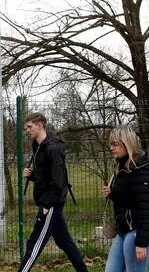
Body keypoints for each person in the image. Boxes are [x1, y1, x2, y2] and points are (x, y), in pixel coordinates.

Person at [19, 112, 88, 272]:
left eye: (29, 127)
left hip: (51, 203)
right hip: (48, 200)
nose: (27, 130)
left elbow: (59, 182)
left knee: (34, 244)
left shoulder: (53, 148)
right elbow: (47, 176)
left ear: (40, 125)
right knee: (64, 242)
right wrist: (33, 175)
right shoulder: (38, 145)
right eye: (26, 128)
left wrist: (47, 205)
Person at [101, 125, 149, 272]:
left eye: (115, 144)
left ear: (127, 144)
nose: (111, 148)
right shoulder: (123, 165)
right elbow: (128, 198)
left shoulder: (142, 169)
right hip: (124, 231)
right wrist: (112, 194)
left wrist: (141, 243)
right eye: (110, 144)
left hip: (137, 232)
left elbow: (146, 207)